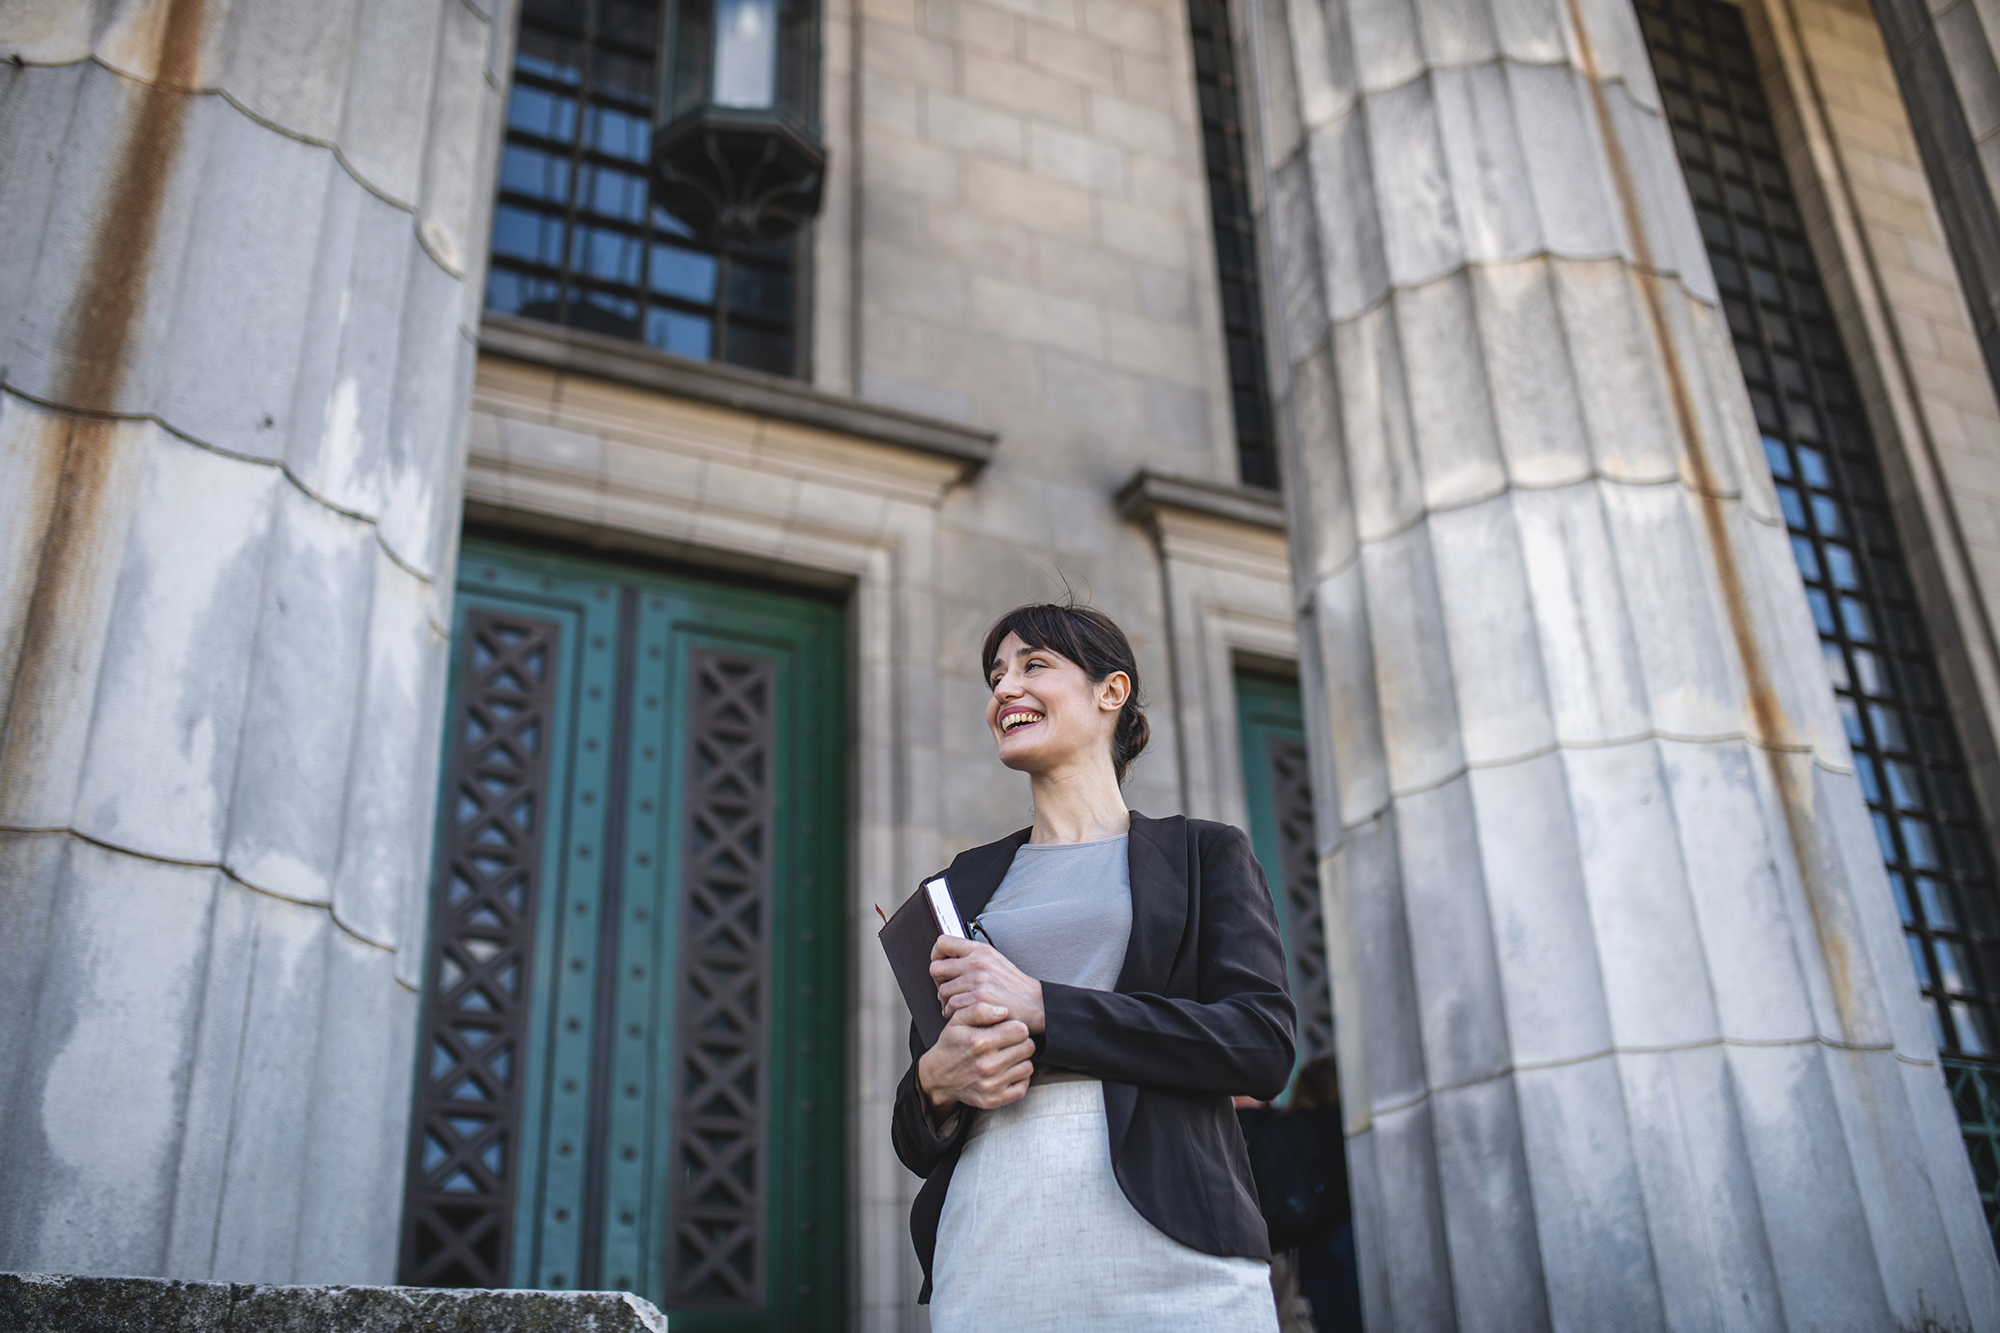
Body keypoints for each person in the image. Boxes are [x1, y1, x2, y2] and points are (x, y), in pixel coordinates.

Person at [890, 602, 1298, 1332]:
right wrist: (933, 1085)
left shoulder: (1203, 854)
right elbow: (917, 1131)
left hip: (1179, 1226)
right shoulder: (960, 883)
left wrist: (1047, 1007)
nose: (1004, 690)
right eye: (995, 676)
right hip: (994, 1222)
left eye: (1032, 665)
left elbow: (1260, 1044)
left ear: (1112, 691)